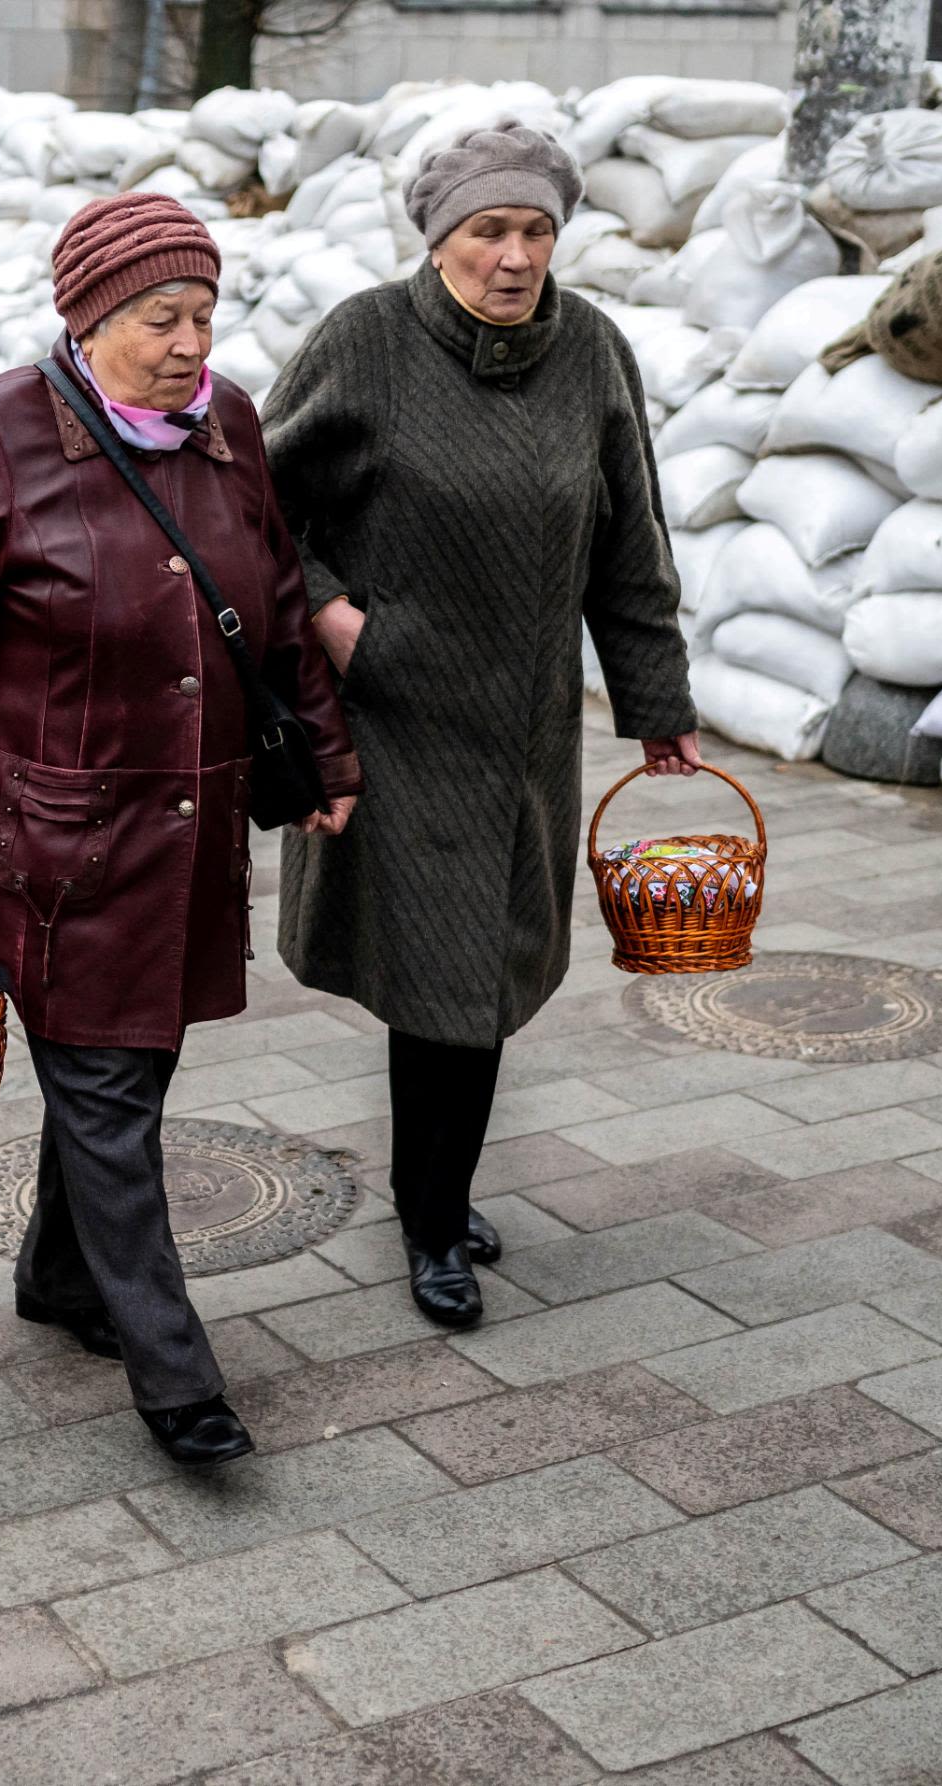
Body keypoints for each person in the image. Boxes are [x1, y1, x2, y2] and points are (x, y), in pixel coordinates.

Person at [0, 194, 361, 1468]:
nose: (190, 342)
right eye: (157, 318)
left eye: (202, 312)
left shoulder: (229, 422)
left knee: (129, 1070)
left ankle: (59, 1278)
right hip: (54, 848)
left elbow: (280, 602)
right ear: (86, 318)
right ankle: (174, 1373)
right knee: (109, 1093)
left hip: (191, 826)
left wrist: (325, 755)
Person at [263, 121, 700, 1331]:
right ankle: (430, 1217)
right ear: (438, 238)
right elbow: (250, 504)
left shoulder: (592, 352)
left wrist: (655, 702)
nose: (513, 257)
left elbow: (628, 540)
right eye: (485, 232)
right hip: (393, 720)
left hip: (521, 731)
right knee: (439, 975)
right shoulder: (365, 341)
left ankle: (435, 1191)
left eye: (533, 230)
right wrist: (334, 617)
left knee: (488, 972)